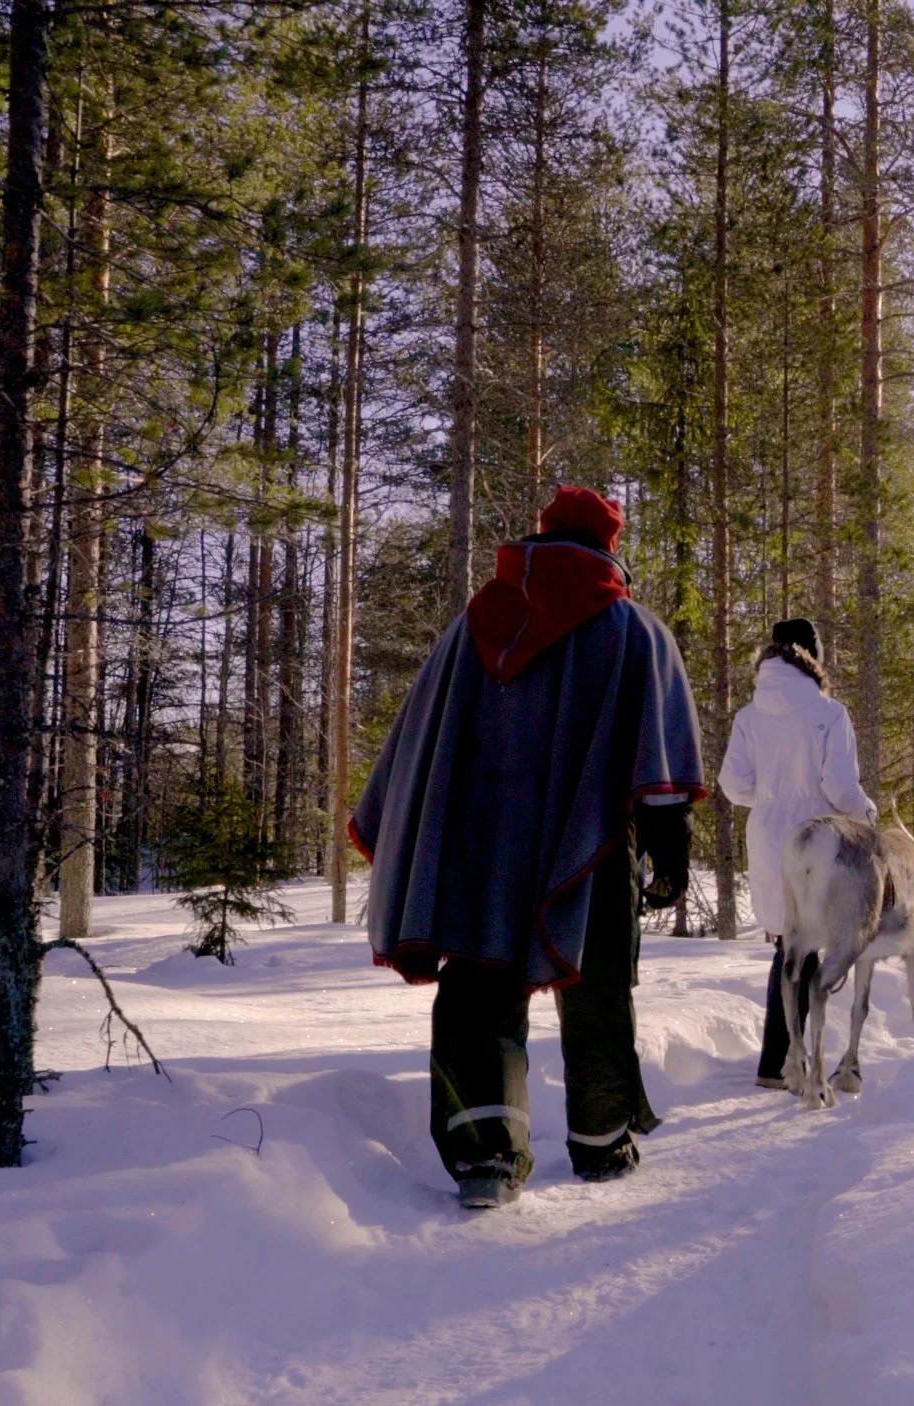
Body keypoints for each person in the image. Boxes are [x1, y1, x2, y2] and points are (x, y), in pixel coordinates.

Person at [352, 486, 708, 1210]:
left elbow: (419, 741)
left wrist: (415, 832)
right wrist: (670, 849)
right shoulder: (632, 631)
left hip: (478, 844)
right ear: (609, 544)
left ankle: (485, 1157)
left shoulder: (472, 627)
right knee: (597, 982)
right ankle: (602, 1144)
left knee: (480, 980)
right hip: (590, 848)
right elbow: (662, 761)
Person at [714, 618, 877, 1089]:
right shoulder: (828, 714)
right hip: (819, 838)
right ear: (814, 657)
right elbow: (839, 786)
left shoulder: (749, 715)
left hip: (768, 837)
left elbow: (732, 785)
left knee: (790, 944)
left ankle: (776, 1060)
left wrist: (769, 798)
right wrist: (867, 816)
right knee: (812, 949)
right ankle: (796, 1058)